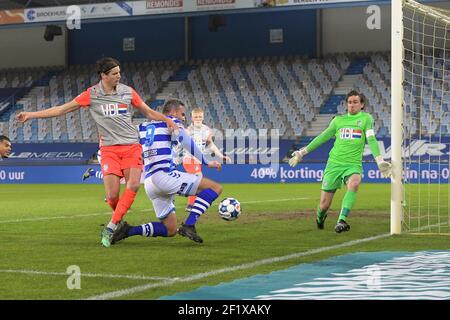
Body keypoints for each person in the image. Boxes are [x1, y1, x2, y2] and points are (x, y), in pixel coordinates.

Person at [16, 57, 178, 247]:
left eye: (119, 72)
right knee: (112, 196)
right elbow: (61, 110)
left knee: (133, 185)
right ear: (104, 75)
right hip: (109, 149)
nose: (119, 76)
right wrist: (30, 115)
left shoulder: (127, 92)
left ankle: (111, 226)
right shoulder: (91, 95)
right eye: (115, 73)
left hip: (132, 146)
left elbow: (148, 111)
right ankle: (120, 222)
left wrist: (167, 120)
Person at [111, 99, 223, 245]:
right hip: (163, 176)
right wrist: (206, 161)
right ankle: (189, 224)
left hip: (150, 182)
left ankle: (128, 231)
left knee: (170, 229)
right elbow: (186, 141)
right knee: (215, 188)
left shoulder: (143, 126)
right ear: (173, 112)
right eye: (182, 114)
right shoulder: (170, 121)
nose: (183, 118)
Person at [289, 90, 392, 233]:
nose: (352, 105)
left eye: (355, 102)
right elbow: (322, 137)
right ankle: (320, 217)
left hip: (353, 165)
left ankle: (341, 220)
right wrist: (302, 152)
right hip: (334, 165)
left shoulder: (366, 119)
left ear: (362, 105)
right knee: (324, 205)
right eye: (349, 102)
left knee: (355, 182)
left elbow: (372, 139)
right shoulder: (338, 121)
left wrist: (380, 160)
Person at [182, 107, 230, 211]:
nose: (198, 118)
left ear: (203, 117)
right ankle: (191, 205)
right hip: (189, 159)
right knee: (198, 178)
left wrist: (221, 156)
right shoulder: (187, 131)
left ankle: (188, 200)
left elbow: (210, 145)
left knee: (195, 181)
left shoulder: (207, 130)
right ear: (192, 118)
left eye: (200, 116)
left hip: (198, 161)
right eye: (196, 117)